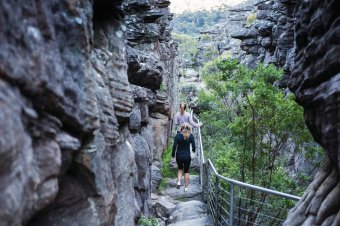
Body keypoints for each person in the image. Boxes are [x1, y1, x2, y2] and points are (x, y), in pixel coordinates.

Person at [172, 123, 195, 192]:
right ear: (189, 129)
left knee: (180, 168)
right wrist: (193, 150)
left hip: (179, 155)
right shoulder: (191, 136)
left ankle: (179, 182)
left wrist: (173, 154)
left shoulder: (177, 136)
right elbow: (194, 146)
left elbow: (174, 146)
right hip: (187, 156)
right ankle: (186, 187)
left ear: (181, 128)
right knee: (187, 171)